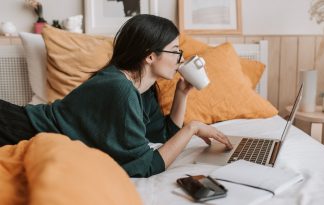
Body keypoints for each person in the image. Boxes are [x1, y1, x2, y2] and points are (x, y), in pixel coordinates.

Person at [0, 14, 232, 177]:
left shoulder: (144, 90)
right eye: (175, 50)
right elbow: (147, 166)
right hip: (18, 129)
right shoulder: (119, 89)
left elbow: (163, 137)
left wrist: (182, 94)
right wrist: (192, 128)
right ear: (150, 56)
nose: (181, 58)